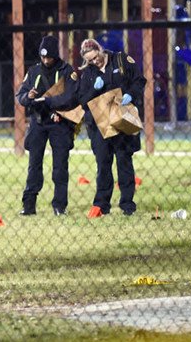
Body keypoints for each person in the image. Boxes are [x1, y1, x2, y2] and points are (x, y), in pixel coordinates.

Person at [77, 38, 146, 217]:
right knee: (103, 163)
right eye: (90, 60)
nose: (95, 61)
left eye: (96, 57)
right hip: (99, 125)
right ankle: (102, 205)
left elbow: (139, 80)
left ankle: (127, 204)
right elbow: (82, 100)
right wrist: (94, 88)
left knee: (124, 160)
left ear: (100, 50)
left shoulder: (121, 60)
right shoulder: (88, 73)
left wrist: (131, 94)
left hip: (121, 120)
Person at [15, 35, 79, 216]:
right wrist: (29, 97)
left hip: (59, 123)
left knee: (60, 166)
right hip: (38, 122)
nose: (45, 60)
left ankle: (59, 206)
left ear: (55, 55)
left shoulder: (67, 71)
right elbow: (20, 96)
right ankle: (29, 206)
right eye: (43, 57)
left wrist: (49, 102)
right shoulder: (34, 71)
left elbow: (71, 96)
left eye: (49, 57)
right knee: (34, 165)